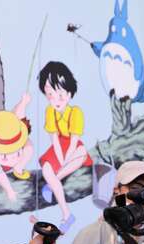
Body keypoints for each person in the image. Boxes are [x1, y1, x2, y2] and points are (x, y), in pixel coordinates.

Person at [38, 61, 93, 233]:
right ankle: (67, 214)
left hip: (72, 146)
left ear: (69, 94)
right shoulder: (50, 111)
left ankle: (51, 184)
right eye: (50, 94)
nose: (56, 100)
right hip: (58, 147)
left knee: (81, 153)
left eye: (60, 95)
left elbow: (74, 141)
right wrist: (60, 160)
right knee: (46, 168)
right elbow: (54, 139)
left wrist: (65, 161)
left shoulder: (76, 112)